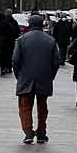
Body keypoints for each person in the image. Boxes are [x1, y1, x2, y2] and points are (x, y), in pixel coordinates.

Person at [12, 13, 62, 144]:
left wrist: (19, 76)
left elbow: (15, 60)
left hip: (25, 78)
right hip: (44, 78)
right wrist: (50, 76)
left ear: (29, 24)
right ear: (42, 25)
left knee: (25, 106)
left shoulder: (22, 40)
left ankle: (28, 132)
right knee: (42, 106)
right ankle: (41, 132)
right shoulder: (51, 40)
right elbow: (56, 61)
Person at [0, 11, 19, 76]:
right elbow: (13, 33)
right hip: (8, 43)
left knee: (1, 56)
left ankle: (2, 68)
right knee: (8, 55)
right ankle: (8, 67)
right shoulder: (8, 25)